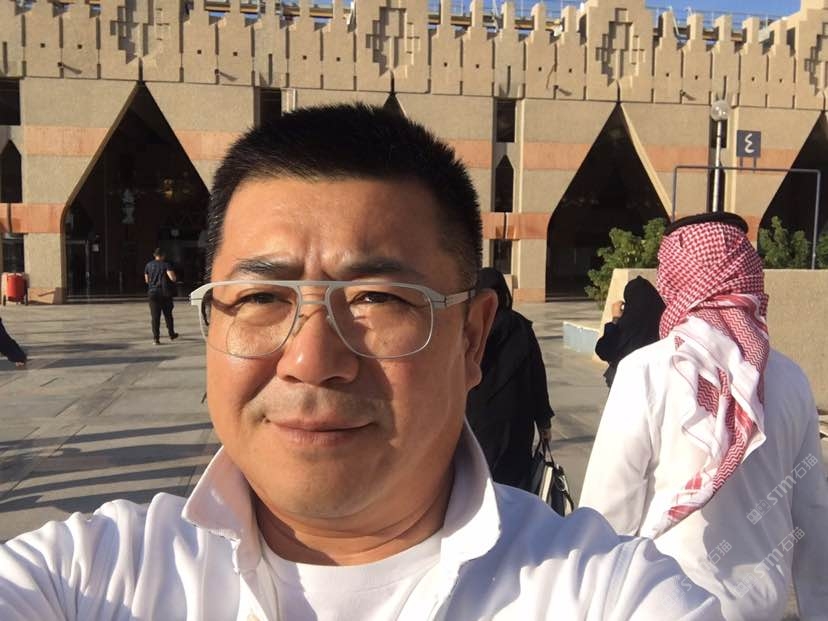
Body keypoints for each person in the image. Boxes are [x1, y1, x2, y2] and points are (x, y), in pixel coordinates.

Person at [0, 105, 721, 620]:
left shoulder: (601, 592)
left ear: (472, 339)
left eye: (377, 297)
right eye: (261, 297)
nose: (312, 359)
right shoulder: (87, 579)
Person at [580, 212, 828, 620]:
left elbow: (606, 516)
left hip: (661, 606)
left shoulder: (646, 370)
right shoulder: (791, 379)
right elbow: (813, 514)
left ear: (674, 279)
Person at [466, 267, 554, 488]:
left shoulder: (470, 328)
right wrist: (544, 421)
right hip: (516, 419)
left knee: (477, 480)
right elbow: (537, 375)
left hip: (478, 416)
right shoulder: (520, 326)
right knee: (514, 483)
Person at [594, 276, 665, 387]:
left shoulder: (628, 324)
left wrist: (615, 319)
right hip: (657, 383)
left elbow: (604, 351)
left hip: (626, 384)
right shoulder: (665, 320)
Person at [144, 247, 179, 345]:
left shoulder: (148, 265)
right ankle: (171, 334)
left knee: (155, 317)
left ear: (154, 255)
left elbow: (146, 280)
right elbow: (172, 278)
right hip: (165, 293)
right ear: (163, 255)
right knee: (168, 315)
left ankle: (156, 338)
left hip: (152, 293)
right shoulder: (166, 265)